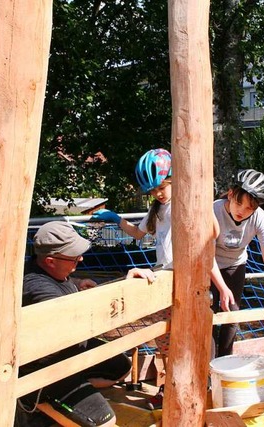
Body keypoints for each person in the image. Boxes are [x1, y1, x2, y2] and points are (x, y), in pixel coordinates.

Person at [16, 221, 131, 427]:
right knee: (105, 422)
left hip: (69, 352)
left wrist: (77, 283)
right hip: (44, 369)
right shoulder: (37, 288)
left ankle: (71, 399)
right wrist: (125, 287)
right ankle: (34, 397)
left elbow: (59, 282)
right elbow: (71, 316)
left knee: (121, 366)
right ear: (51, 261)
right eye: (74, 256)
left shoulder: (46, 268)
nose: (81, 258)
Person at [91, 148, 173, 410]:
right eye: (152, 191)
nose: (158, 193)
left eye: (161, 187)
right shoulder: (157, 210)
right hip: (163, 274)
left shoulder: (185, 204)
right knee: (164, 338)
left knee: (181, 337)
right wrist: (116, 219)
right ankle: (168, 385)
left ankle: (184, 384)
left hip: (182, 274)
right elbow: (138, 234)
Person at [210, 169, 264, 357]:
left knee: (232, 316)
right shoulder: (214, 210)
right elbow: (206, 256)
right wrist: (222, 288)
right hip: (208, 266)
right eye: (238, 203)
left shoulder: (260, 218)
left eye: (250, 208)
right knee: (207, 316)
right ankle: (205, 365)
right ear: (231, 194)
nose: (242, 211)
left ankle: (224, 363)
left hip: (235, 265)